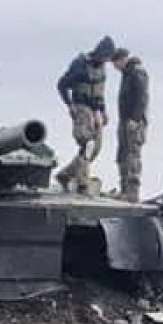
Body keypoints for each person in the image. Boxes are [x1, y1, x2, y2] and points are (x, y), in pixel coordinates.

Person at [55, 35, 115, 194]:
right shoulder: (80, 65)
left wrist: (103, 111)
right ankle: (82, 183)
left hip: (95, 110)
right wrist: (70, 104)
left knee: (95, 148)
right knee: (87, 143)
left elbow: (99, 92)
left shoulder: (101, 68)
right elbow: (62, 84)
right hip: (81, 107)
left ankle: (66, 174)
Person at [110, 47, 149, 202]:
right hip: (124, 120)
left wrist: (135, 118)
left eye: (115, 63)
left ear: (122, 59)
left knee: (132, 155)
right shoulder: (126, 74)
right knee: (122, 155)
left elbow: (142, 97)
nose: (115, 67)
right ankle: (124, 190)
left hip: (134, 122)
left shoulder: (137, 72)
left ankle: (132, 192)